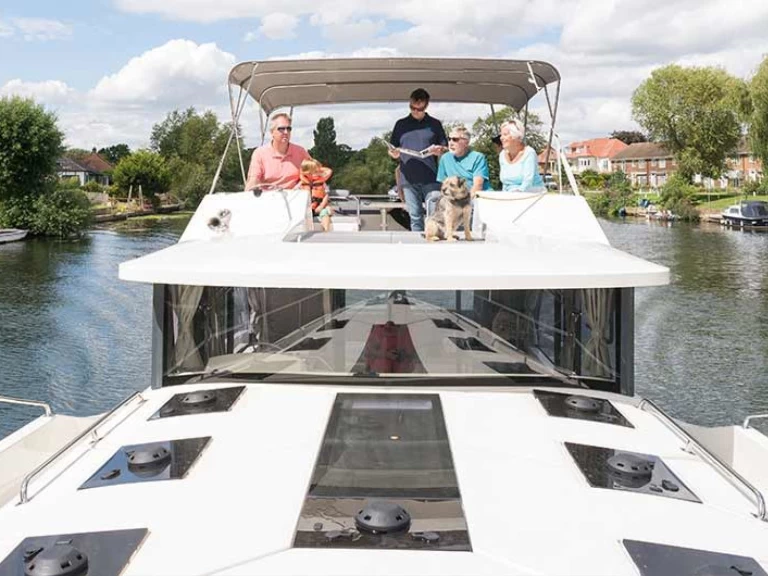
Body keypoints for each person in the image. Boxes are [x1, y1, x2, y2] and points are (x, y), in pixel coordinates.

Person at [388, 88, 447, 232]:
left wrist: (439, 150)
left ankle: (435, 244)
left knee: (434, 216)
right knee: (415, 217)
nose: (414, 111)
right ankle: (417, 247)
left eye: (418, 109)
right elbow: (392, 148)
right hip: (408, 179)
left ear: (426, 106)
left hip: (431, 178)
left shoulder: (435, 124)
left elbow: (445, 147)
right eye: (412, 107)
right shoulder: (400, 124)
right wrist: (393, 153)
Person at [427, 125, 489, 219]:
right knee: (433, 197)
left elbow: (477, 186)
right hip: (453, 196)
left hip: (473, 196)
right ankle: (436, 228)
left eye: (455, 139)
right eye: (449, 139)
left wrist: (461, 203)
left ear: (466, 142)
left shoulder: (478, 157)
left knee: (473, 202)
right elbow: (443, 186)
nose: (451, 143)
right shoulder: (445, 158)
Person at [245, 113, 310, 191]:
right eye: (281, 129)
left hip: (295, 197)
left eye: (288, 129)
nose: (286, 132)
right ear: (272, 132)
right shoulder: (259, 153)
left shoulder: (300, 152)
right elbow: (254, 181)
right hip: (269, 199)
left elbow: (315, 173)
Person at [498, 118, 544, 192]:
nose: (501, 138)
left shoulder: (529, 153)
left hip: (531, 194)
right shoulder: (502, 155)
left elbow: (528, 182)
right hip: (510, 196)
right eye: (501, 135)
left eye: (505, 135)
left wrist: (516, 194)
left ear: (516, 136)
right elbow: (505, 183)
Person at [299, 159, 333, 231]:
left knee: (325, 213)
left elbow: (326, 195)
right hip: (306, 209)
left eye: (319, 172)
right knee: (301, 216)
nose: (318, 174)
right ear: (307, 173)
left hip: (319, 207)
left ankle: (326, 231)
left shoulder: (322, 183)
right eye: (315, 172)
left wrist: (321, 206)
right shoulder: (301, 184)